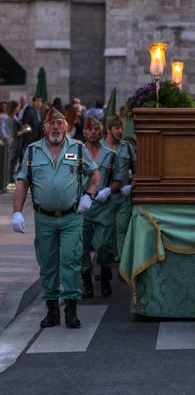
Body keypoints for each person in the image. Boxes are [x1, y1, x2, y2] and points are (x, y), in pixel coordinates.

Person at [11, 108, 100, 328]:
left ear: (66, 126)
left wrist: (89, 196)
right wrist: (16, 212)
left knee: (70, 261)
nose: (56, 128)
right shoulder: (32, 152)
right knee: (48, 264)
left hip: (71, 217)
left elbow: (95, 174)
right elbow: (22, 184)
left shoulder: (78, 149)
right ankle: (52, 311)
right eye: (51, 124)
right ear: (45, 128)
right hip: (44, 219)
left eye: (60, 123)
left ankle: (70, 310)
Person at [80, 117, 122, 299]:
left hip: (103, 205)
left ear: (102, 132)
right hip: (81, 206)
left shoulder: (111, 154)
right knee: (80, 246)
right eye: (89, 130)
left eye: (97, 129)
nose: (93, 132)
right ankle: (86, 281)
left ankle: (105, 275)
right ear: (84, 133)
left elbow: (119, 179)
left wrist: (108, 190)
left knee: (104, 245)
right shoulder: (76, 153)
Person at [102, 116, 136, 259]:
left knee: (122, 228)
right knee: (104, 232)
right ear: (108, 129)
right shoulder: (99, 147)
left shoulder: (127, 147)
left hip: (122, 196)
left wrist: (131, 186)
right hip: (103, 197)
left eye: (121, 128)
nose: (120, 131)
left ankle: (123, 263)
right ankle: (105, 264)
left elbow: (138, 171)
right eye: (116, 128)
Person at [7, 101, 25, 186]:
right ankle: (10, 179)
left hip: (17, 143)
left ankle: (10, 179)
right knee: (12, 162)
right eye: (17, 107)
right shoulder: (12, 119)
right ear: (14, 108)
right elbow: (15, 133)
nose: (19, 109)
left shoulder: (13, 117)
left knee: (14, 161)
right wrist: (24, 131)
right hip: (15, 143)